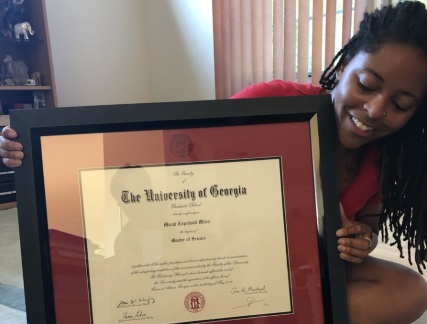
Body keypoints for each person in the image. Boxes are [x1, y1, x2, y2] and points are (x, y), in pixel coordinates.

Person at [2, 1, 427, 323]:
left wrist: (360, 240)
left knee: (412, 290)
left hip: (296, 268)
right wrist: (36, 153)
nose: (375, 110)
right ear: (343, 64)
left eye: (401, 104)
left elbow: (368, 220)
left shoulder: (392, 155)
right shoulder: (273, 102)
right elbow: (170, 155)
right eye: (367, 84)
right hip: (208, 257)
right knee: (95, 283)